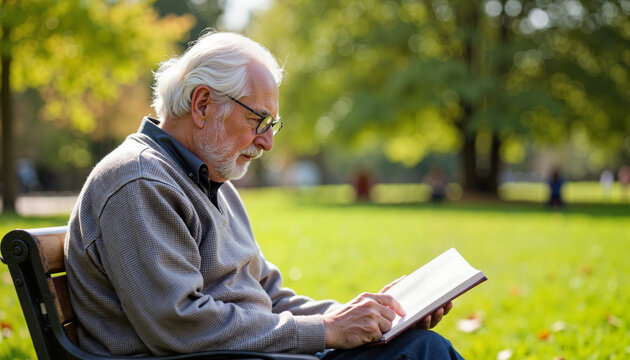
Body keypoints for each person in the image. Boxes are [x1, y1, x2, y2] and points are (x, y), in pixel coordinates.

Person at [65, 31, 463, 359]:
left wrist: (375, 317)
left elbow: (267, 296)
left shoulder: (209, 182)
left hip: (255, 354)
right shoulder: (140, 181)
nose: (268, 142)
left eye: (273, 124)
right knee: (423, 353)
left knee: (415, 345)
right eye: (259, 119)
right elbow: (180, 325)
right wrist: (328, 330)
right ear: (203, 103)